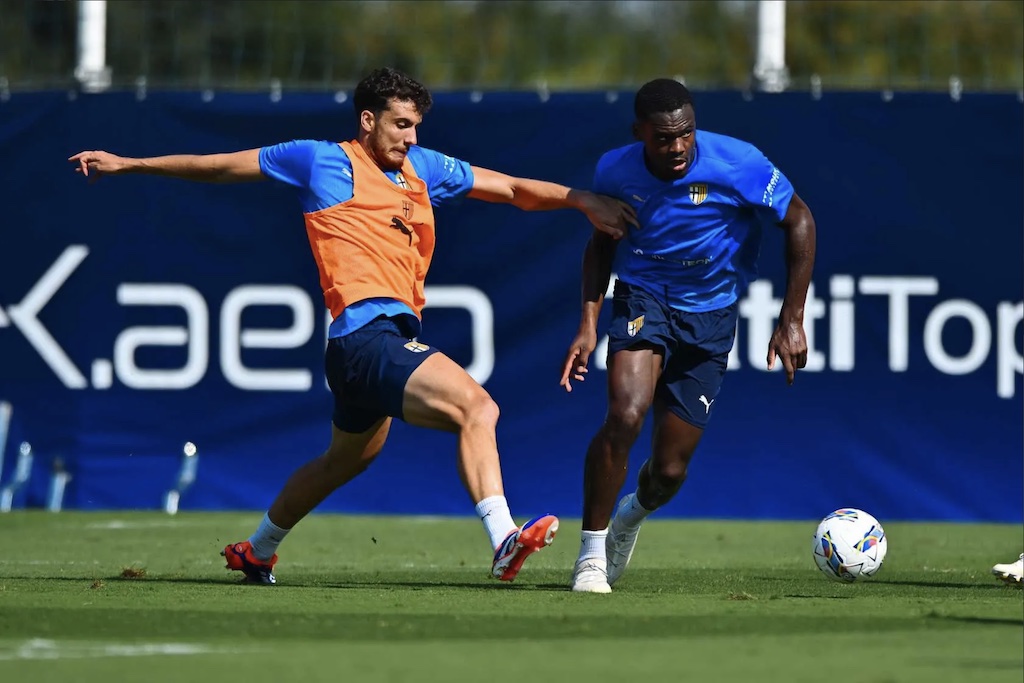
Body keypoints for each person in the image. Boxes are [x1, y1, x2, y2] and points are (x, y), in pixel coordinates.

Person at [70, 67, 636, 585]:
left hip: (364, 348)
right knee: (477, 409)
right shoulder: (320, 160)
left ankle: (258, 549)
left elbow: (512, 190)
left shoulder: (424, 170)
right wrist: (130, 163)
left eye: (416, 126)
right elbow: (222, 165)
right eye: (400, 124)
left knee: (346, 459)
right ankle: (502, 537)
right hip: (367, 338)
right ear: (367, 120)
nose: (410, 137)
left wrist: (582, 200)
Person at [559, 78, 817, 593]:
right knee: (625, 413)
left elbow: (800, 219)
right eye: (663, 138)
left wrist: (791, 318)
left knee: (669, 473)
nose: (677, 148)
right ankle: (590, 553)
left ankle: (630, 517)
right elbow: (601, 247)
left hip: (711, 317)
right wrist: (588, 324)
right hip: (643, 297)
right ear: (640, 133)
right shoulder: (614, 169)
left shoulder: (738, 162)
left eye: (686, 135)